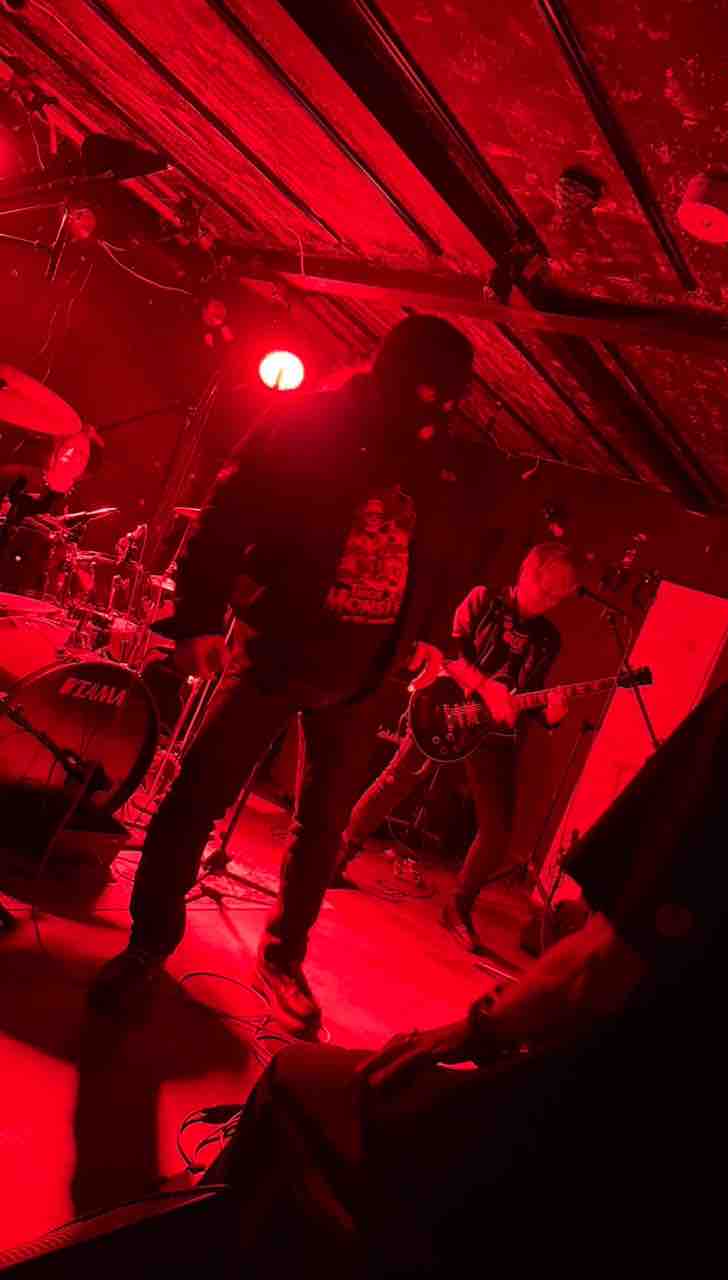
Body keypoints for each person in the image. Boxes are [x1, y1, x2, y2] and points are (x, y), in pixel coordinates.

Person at [202, 534, 728, 1276]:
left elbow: (602, 966)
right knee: (395, 786)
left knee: (299, 1080)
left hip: (588, 1140)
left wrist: (469, 1031)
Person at [89, 315, 475, 1036]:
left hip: (365, 672)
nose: (435, 413)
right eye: (426, 396)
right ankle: (148, 944)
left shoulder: (436, 453)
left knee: (323, 827)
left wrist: (428, 631)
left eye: (447, 402)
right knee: (196, 797)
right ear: (395, 376)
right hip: (281, 649)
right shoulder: (312, 422)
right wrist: (197, 621)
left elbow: (441, 544)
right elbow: (225, 518)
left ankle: (283, 957)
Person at [339, 542, 579, 948]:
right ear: (526, 572)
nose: (549, 601)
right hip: (446, 705)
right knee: (396, 780)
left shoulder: (547, 639)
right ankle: (337, 856)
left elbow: (530, 696)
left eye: (559, 597)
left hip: (492, 733)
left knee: (498, 829)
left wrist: (553, 714)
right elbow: (451, 653)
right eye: (546, 589)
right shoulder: (483, 600)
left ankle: (459, 907)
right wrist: (486, 688)